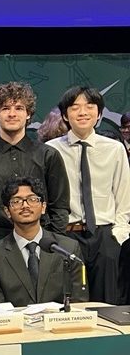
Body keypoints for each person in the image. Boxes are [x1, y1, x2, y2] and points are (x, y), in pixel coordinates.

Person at [0, 81, 70, 256]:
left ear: (28, 114)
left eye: (19, 108)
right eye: (5, 108)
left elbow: (60, 206)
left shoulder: (48, 155)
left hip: (42, 242)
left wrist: (52, 242)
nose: (12, 114)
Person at [46, 86, 130, 304]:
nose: (83, 112)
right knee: (70, 303)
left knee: (107, 305)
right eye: (75, 107)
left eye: (90, 106)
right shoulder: (51, 150)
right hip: (67, 235)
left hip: (105, 236)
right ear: (65, 115)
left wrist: (118, 235)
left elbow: (124, 196)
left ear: (99, 113)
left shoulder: (114, 149)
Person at [0, 177, 88, 306]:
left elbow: (79, 303)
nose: (25, 206)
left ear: (43, 207)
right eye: (17, 201)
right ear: (7, 211)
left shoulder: (67, 249)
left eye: (32, 199)